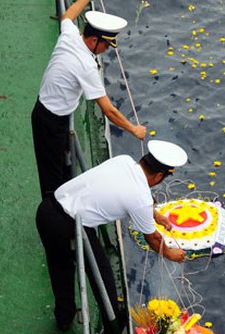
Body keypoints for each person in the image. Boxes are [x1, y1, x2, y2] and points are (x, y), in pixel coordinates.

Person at [36, 140, 188, 334]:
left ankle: (63, 318)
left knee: (60, 267)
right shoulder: (140, 197)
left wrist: (155, 215)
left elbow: (128, 191)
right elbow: (153, 239)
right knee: (101, 273)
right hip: (68, 225)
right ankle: (113, 326)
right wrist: (171, 254)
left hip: (47, 209)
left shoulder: (123, 161)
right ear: (159, 176)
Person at [32, 0, 147, 197]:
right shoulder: (86, 66)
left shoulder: (70, 36)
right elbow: (109, 111)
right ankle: (53, 219)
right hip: (52, 123)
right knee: (52, 179)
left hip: (44, 111)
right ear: (94, 40)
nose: (107, 50)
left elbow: (68, 15)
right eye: (106, 45)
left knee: (64, 168)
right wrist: (134, 129)